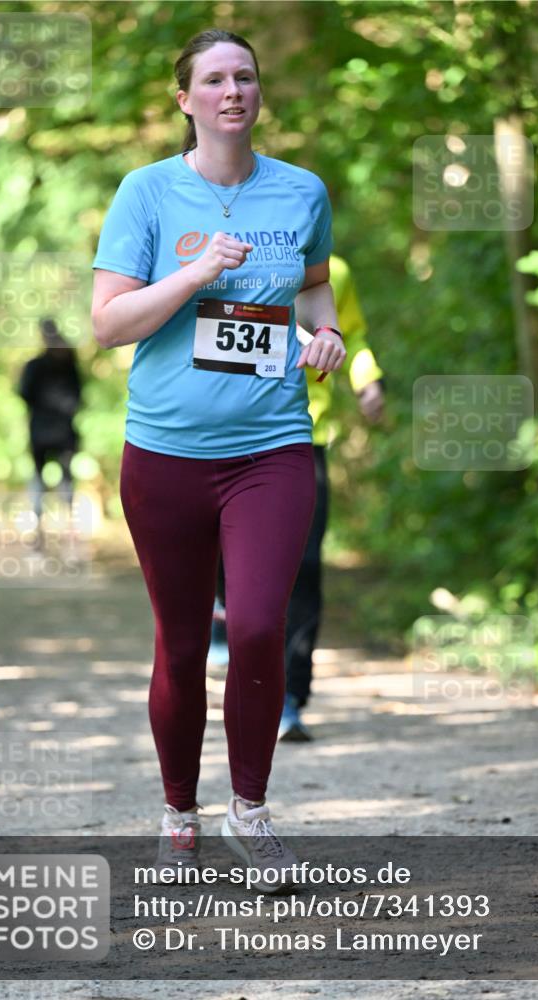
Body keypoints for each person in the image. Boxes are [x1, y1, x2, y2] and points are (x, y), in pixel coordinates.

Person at [91, 28, 346, 891]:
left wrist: (326, 332)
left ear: (258, 92)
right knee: (178, 643)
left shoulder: (302, 190)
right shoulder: (147, 192)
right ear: (185, 99)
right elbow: (108, 324)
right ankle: (178, 813)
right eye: (213, 79)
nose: (232, 90)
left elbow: (313, 285)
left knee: (260, 623)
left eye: (244, 76)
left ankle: (250, 811)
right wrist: (194, 276)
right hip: (164, 452)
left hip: (271, 447)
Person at [279, 254, 385, 741]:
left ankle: (289, 696)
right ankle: (226, 613)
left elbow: (353, 335)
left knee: (304, 565)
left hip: (305, 434)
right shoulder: (228, 252)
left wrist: (367, 382)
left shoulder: (332, 272)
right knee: (222, 554)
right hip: (227, 432)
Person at [18, 319, 82, 550]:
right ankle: (70, 534)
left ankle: (39, 534)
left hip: (40, 432)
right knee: (66, 480)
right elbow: (79, 396)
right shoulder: (70, 364)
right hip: (64, 433)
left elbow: (24, 393)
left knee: (39, 480)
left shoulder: (35, 366)